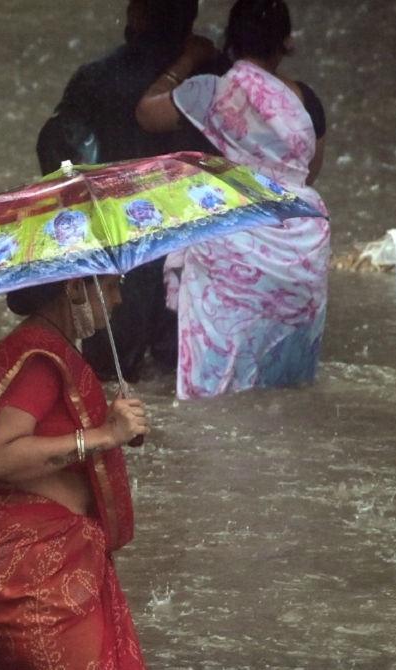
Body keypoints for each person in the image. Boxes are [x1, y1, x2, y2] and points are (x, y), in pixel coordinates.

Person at [0, 275, 155, 670]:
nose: (118, 299)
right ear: (73, 289)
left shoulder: (41, 351)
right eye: (108, 286)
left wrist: (109, 431)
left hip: (37, 564)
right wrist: (104, 435)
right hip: (36, 575)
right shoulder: (38, 360)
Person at [136, 0, 331, 399]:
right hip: (301, 243)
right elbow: (309, 172)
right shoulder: (305, 101)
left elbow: (147, 114)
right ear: (286, 43)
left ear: (230, 42)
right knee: (285, 383)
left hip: (236, 238)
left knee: (221, 369)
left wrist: (187, 60)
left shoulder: (220, 91)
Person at [37, 0, 230, 384]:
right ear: (190, 15)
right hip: (196, 261)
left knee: (107, 384)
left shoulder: (95, 79)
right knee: (183, 383)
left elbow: (57, 157)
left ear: (135, 14)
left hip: (118, 264)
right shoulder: (219, 79)